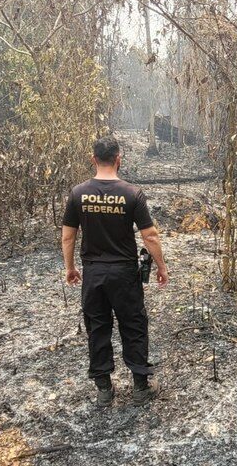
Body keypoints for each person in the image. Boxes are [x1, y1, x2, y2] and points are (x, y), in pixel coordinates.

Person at [61, 135, 168, 407]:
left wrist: (71, 267)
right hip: (124, 273)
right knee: (133, 325)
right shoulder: (132, 194)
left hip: (94, 273)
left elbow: (68, 237)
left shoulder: (77, 193)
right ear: (119, 159)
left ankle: (104, 390)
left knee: (97, 328)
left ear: (93, 159)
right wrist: (162, 267)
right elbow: (151, 236)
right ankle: (141, 387)